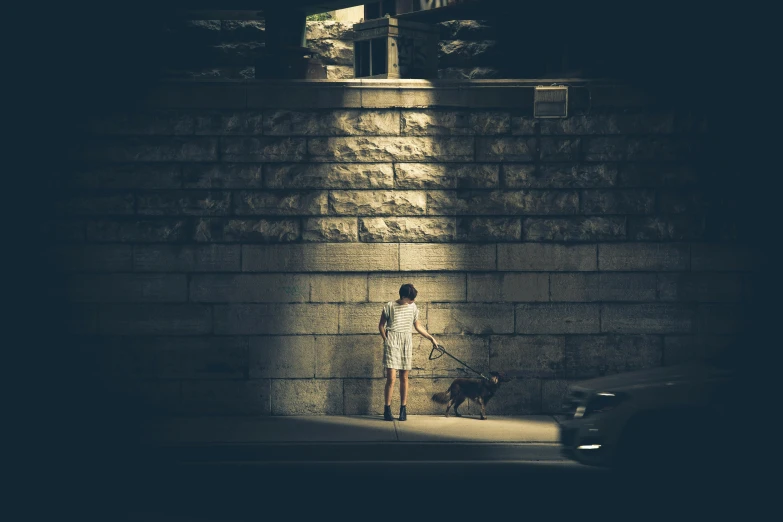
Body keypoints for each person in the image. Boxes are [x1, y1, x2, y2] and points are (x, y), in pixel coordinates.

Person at [378, 283, 438, 421]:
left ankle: (403, 409)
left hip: (406, 341)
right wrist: (386, 339)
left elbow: (417, 326)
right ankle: (387, 409)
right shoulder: (389, 306)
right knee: (391, 378)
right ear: (404, 296)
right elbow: (381, 325)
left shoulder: (413, 307)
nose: (413, 301)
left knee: (404, 377)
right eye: (411, 299)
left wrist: (431, 338)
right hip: (392, 340)